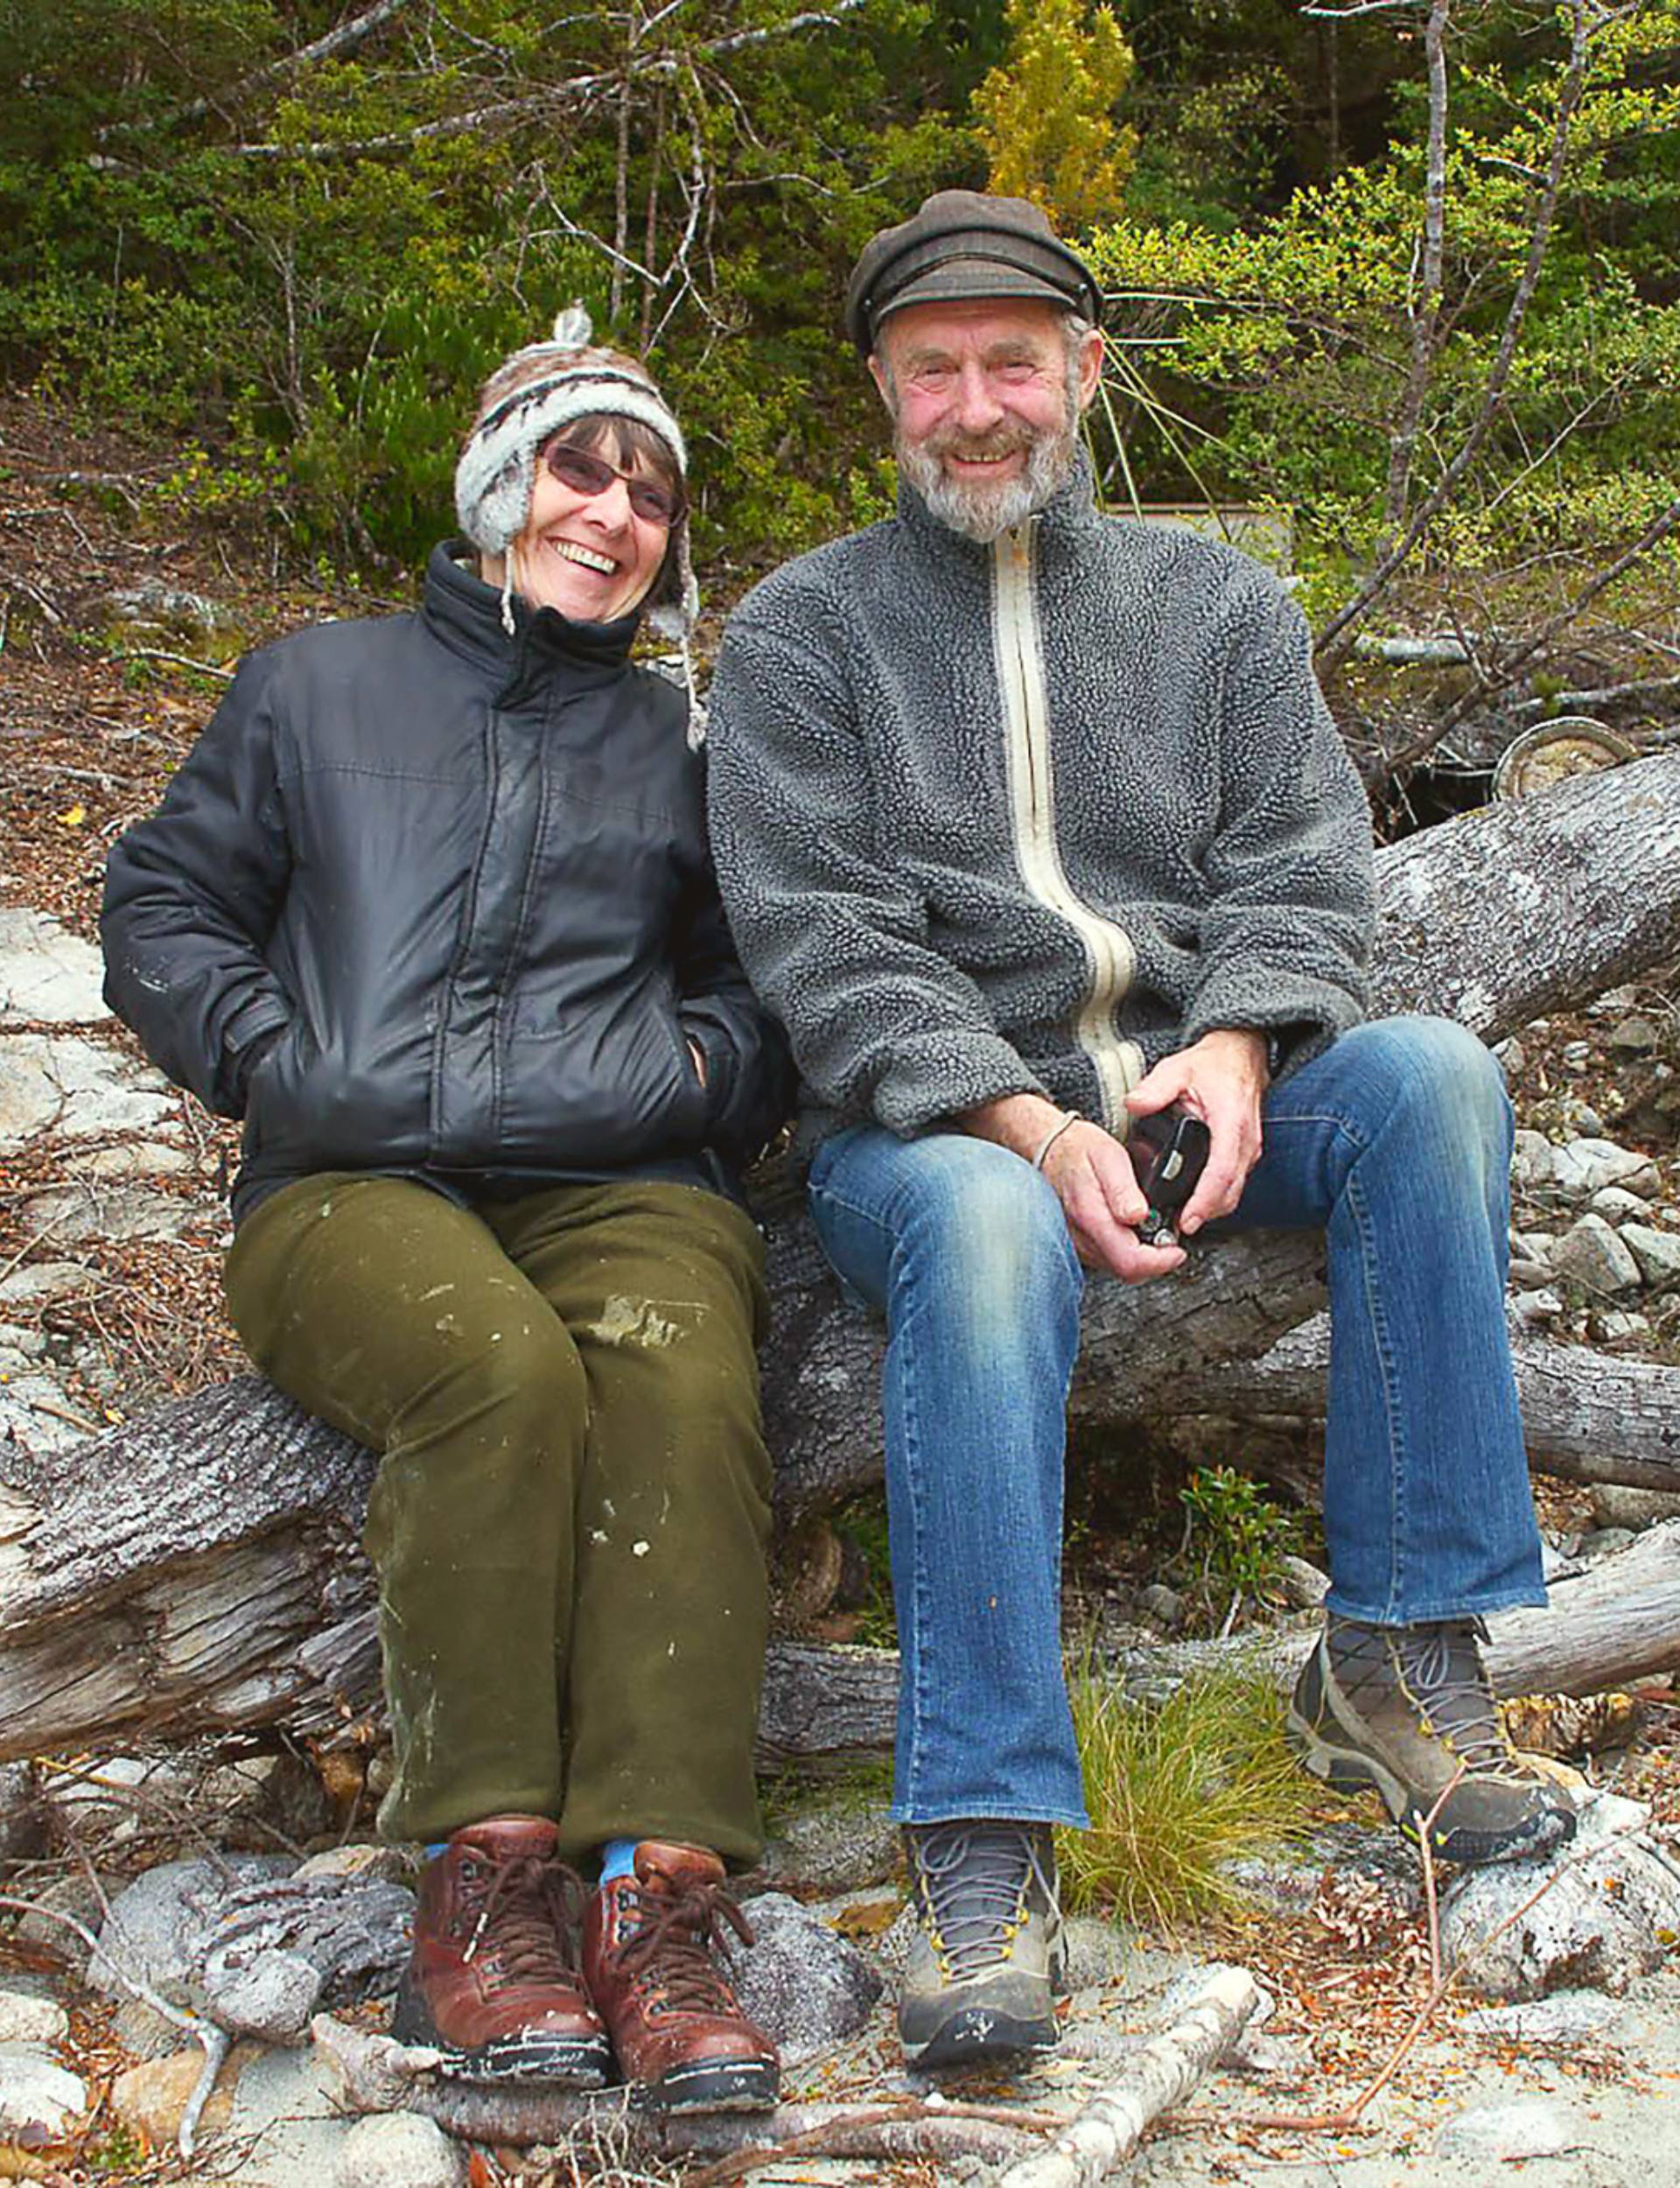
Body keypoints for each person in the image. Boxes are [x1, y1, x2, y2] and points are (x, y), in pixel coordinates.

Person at [704, 192, 1575, 2072]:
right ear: (881, 391)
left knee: (1430, 1075)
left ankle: (1402, 1661)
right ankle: (982, 1845)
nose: (975, 403)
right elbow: (814, 938)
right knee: (991, 1225)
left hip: (1192, 1086)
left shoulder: (1219, 606)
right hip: (927, 1124)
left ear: (1085, 371)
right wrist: (1018, 1114)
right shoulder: (800, 635)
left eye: (1013, 359)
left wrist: (1249, 1045)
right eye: (932, 367)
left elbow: (1305, 863)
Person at [101, 310, 791, 2114]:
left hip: (620, 1171)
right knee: (495, 1371)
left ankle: (662, 1894)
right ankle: (486, 1884)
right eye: (583, 464)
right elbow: (165, 901)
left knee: (678, 1370)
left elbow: (750, 991)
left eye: (652, 488)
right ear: (503, 484)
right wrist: (271, 1049)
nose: (617, 510)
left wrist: (696, 1086)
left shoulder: (679, 735)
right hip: (348, 1180)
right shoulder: (314, 684)